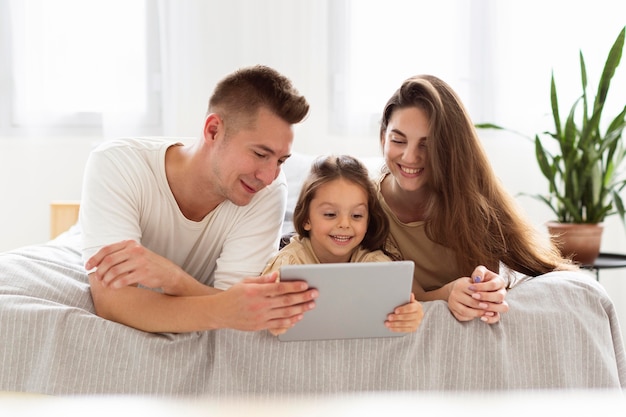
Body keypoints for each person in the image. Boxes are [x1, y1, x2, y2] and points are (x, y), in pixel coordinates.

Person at [80, 65, 319, 333]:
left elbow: (240, 310)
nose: (268, 176)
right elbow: (113, 303)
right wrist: (226, 307)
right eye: (260, 154)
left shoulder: (268, 192)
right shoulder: (118, 164)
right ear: (213, 130)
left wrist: (174, 279)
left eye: (281, 161)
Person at [376, 74, 577, 324]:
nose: (410, 157)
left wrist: (489, 285)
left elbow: (537, 266)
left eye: (427, 145)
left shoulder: (473, 197)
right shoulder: (360, 206)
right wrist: (448, 293)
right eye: (398, 140)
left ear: (449, 148)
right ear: (383, 137)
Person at [262, 154, 423, 335]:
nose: (345, 224)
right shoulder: (288, 264)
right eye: (330, 214)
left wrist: (410, 314)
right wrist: (273, 320)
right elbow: (263, 311)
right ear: (307, 218)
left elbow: (398, 305)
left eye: (356, 216)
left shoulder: (375, 264)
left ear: (368, 220)